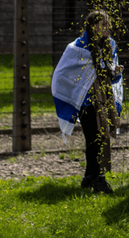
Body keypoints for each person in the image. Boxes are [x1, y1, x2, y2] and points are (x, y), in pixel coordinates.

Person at [52, 10, 123, 194]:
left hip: (104, 99)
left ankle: (89, 177)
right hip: (86, 102)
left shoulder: (110, 45)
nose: (107, 28)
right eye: (103, 24)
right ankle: (99, 179)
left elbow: (110, 76)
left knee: (100, 137)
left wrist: (116, 72)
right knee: (94, 139)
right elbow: (62, 73)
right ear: (93, 26)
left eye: (108, 24)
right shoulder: (76, 48)